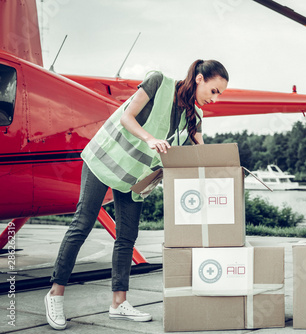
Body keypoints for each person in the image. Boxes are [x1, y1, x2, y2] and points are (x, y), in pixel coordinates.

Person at [44, 59, 229, 330]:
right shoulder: (158, 82)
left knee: (127, 236)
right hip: (105, 159)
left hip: (134, 177)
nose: (216, 98)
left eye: (220, 94)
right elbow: (126, 117)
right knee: (82, 224)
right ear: (200, 78)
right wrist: (149, 139)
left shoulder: (195, 117)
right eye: (214, 91)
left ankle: (119, 303)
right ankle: (55, 294)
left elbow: (200, 152)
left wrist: (221, 171)